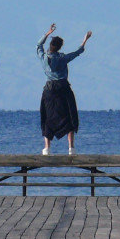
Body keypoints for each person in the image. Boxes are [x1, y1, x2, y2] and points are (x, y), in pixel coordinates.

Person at [37, 23, 92, 155]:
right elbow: (78, 52)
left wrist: (47, 34)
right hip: (63, 87)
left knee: (48, 116)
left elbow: (38, 46)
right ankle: (71, 147)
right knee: (69, 114)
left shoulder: (44, 57)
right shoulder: (63, 58)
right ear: (60, 47)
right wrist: (85, 40)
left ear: (50, 46)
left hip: (49, 89)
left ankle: (47, 148)